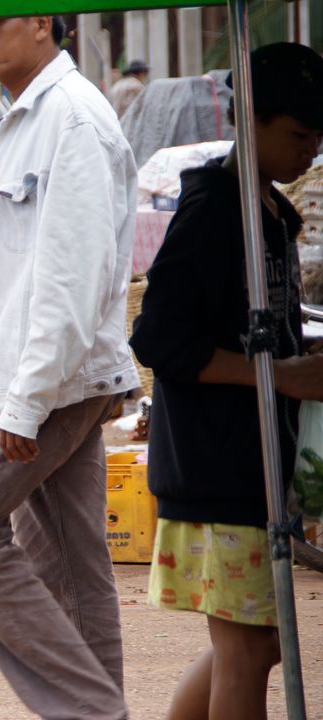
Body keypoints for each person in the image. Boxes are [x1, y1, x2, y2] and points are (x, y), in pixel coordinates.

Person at [0, 16, 138, 719]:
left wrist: (26, 401)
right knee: (69, 563)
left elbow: (74, 276)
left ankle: (90, 709)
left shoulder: (70, 119)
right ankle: (100, 711)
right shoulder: (29, 116)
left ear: (41, 23)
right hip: (46, 373)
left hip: (47, 379)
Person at [130, 42, 323, 720]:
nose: (310, 150)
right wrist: (281, 376)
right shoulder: (215, 211)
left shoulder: (272, 211)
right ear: (252, 119)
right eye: (298, 134)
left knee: (256, 647)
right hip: (217, 464)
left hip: (254, 463)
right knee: (248, 652)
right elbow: (158, 341)